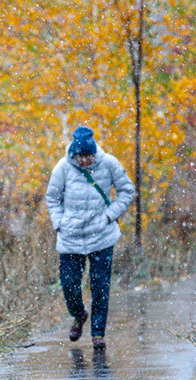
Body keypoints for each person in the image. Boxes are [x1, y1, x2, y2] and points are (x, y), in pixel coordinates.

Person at [46, 126, 134, 350]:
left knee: (100, 286)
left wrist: (109, 215)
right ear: (74, 154)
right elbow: (53, 198)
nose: (85, 161)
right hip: (70, 238)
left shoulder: (109, 163)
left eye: (89, 156)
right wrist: (59, 224)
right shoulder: (63, 168)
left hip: (101, 236)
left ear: (95, 153)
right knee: (69, 285)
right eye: (81, 156)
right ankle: (78, 315)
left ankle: (98, 334)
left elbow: (126, 190)